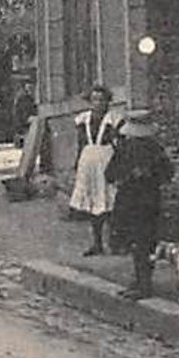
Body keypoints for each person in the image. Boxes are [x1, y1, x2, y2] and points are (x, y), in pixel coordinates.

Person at [105, 109, 175, 300]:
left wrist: (148, 174)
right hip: (132, 200)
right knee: (137, 243)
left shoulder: (154, 151)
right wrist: (127, 176)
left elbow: (167, 173)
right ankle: (139, 281)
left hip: (145, 201)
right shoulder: (125, 149)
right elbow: (110, 174)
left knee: (143, 243)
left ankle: (144, 284)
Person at [69, 83, 120, 255]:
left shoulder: (113, 119)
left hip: (106, 158)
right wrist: (77, 164)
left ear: (107, 102)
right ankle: (97, 243)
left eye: (101, 100)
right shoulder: (83, 120)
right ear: (90, 102)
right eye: (94, 100)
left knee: (109, 198)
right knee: (92, 200)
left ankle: (114, 242)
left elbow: (118, 143)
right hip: (88, 160)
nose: (98, 103)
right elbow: (80, 143)